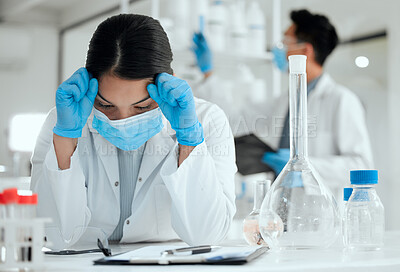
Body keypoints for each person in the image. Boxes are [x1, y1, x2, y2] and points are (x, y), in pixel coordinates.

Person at [30, 14, 236, 250]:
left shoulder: (206, 121)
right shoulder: (63, 122)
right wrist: (66, 139)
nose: (123, 120)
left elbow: (207, 234)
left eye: (143, 107)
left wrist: (188, 139)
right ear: (90, 88)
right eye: (106, 105)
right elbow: (54, 236)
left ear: (168, 84)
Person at [259, 9, 373, 189]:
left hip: (317, 211)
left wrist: (304, 169)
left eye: (285, 42)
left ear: (305, 50)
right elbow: (237, 115)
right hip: (279, 209)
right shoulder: (284, 100)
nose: (279, 48)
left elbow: (361, 166)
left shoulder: (342, 100)